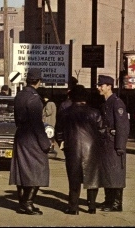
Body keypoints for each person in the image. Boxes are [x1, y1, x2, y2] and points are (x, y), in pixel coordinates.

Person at [9, 68, 52, 215]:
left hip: (20, 135)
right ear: (39, 81)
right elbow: (37, 124)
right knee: (38, 169)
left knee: (22, 171)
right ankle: (28, 203)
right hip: (32, 137)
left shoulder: (20, 95)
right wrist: (45, 143)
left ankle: (22, 203)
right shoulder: (34, 98)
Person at [55, 85, 103, 215]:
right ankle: (91, 207)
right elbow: (101, 131)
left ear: (72, 97)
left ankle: (73, 207)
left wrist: (62, 143)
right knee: (92, 178)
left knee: (74, 179)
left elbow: (58, 131)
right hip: (92, 149)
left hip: (72, 148)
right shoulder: (95, 112)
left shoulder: (65, 113)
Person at [96, 75, 129, 212]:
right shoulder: (105, 103)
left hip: (114, 144)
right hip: (106, 143)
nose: (98, 88)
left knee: (116, 173)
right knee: (107, 173)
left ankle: (116, 203)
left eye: (101, 85)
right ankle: (108, 200)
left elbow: (122, 126)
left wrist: (120, 146)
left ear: (109, 86)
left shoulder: (117, 103)